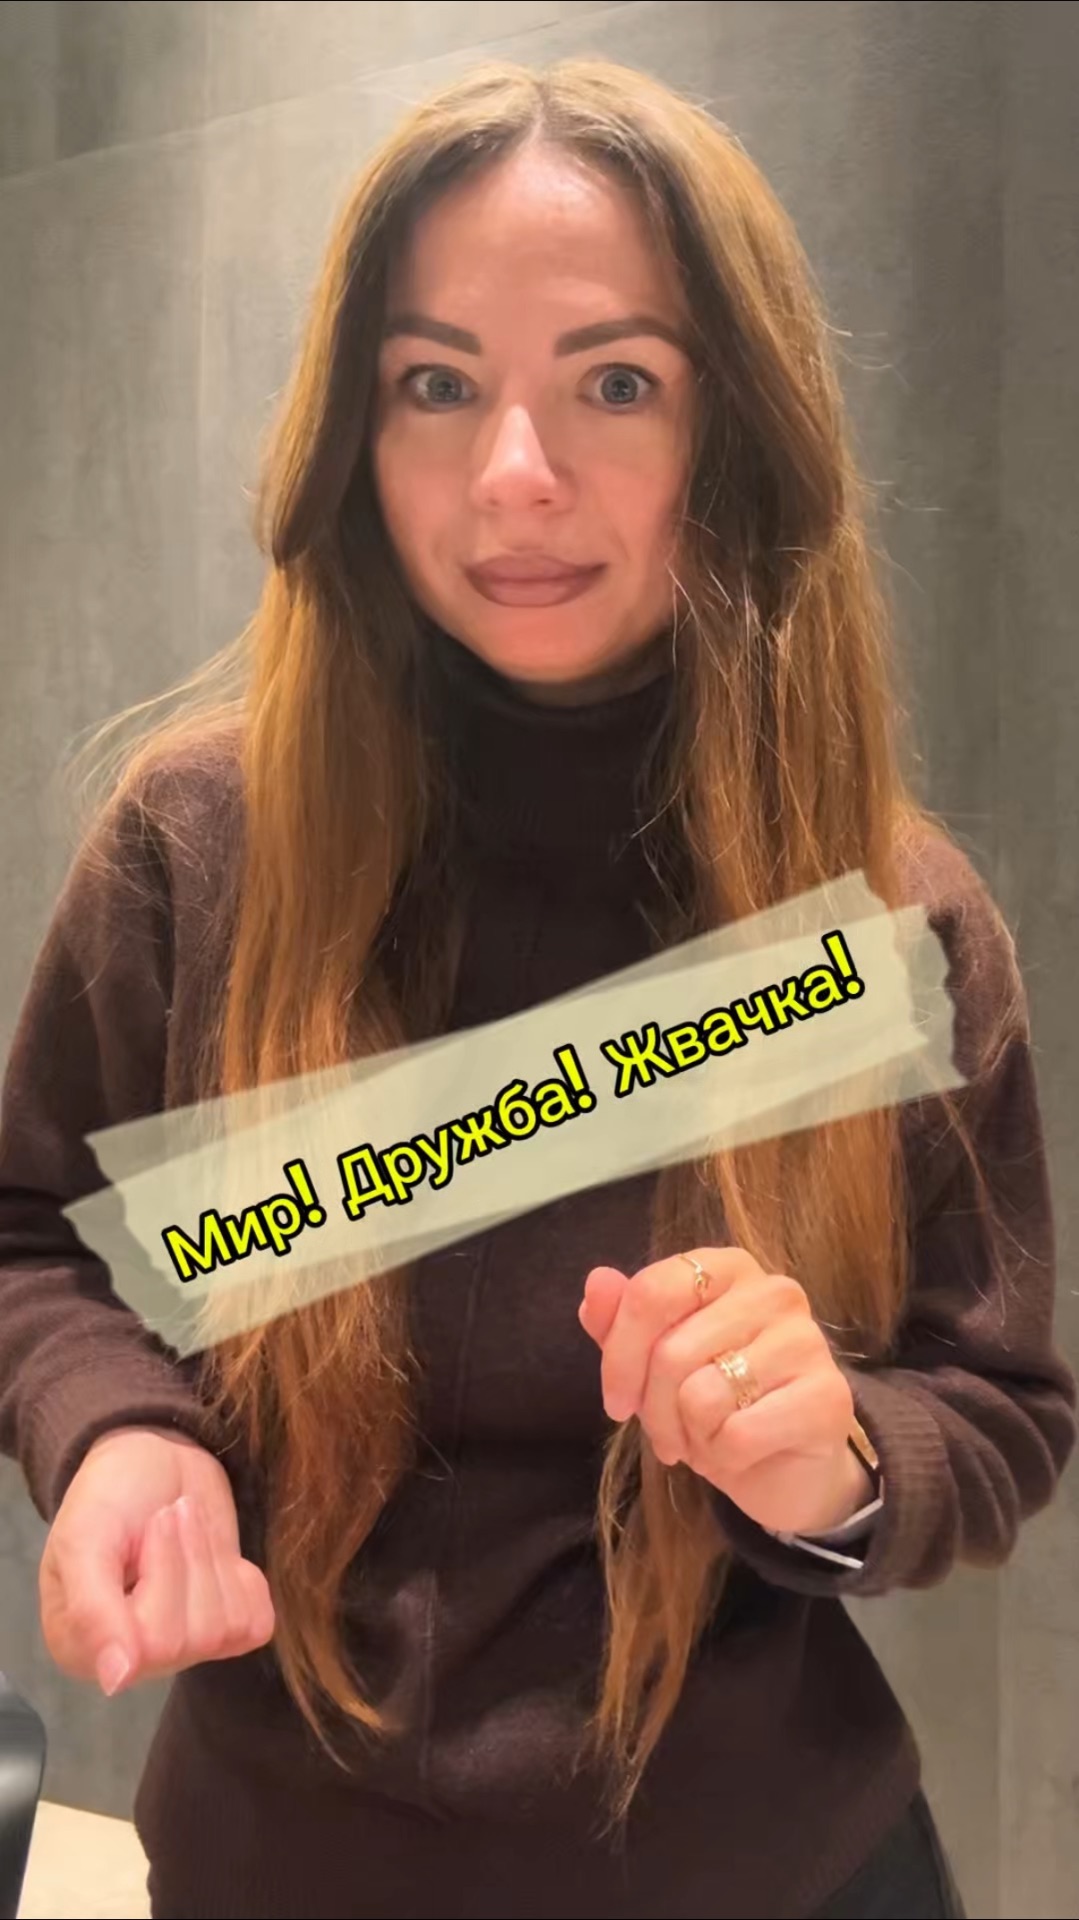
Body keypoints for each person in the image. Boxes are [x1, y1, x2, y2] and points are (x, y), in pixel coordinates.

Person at [0, 55, 1073, 1920]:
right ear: (354, 431)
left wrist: (833, 1461)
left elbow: (999, 1404)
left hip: (780, 1874)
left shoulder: (886, 929)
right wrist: (121, 1429)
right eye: (437, 384)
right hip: (276, 1865)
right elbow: (40, 1239)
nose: (514, 475)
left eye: (616, 382)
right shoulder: (199, 848)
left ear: (734, 426)